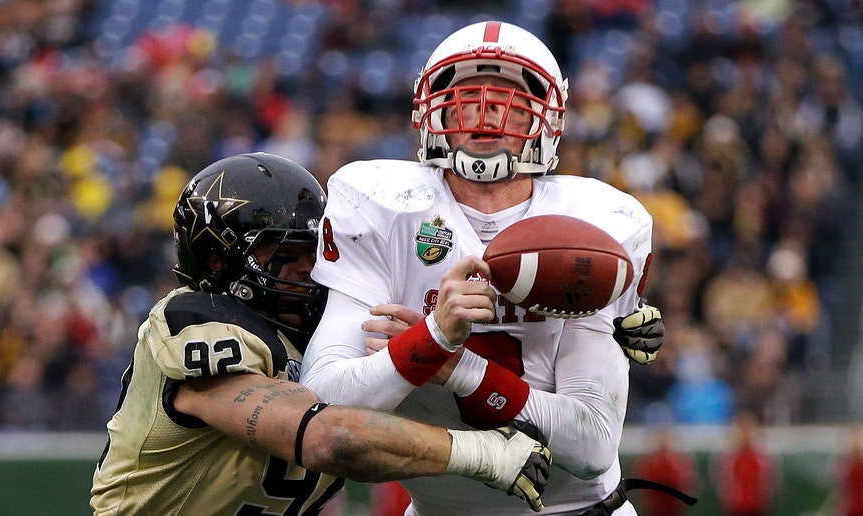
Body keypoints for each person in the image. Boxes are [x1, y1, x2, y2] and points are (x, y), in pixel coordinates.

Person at [301, 20, 666, 515]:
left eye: (510, 94)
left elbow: (593, 445)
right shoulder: (380, 203)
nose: (488, 107)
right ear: (429, 108)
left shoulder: (595, 227)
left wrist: (448, 360)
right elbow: (323, 404)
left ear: (547, 118)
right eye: (468, 92)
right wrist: (433, 338)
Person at [89, 152, 553, 515]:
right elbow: (325, 438)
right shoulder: (195, 321)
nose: (311, 270)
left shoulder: (322, 340)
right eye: (289, 253)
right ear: (219, 261)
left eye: (315, 251)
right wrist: (481, 453)